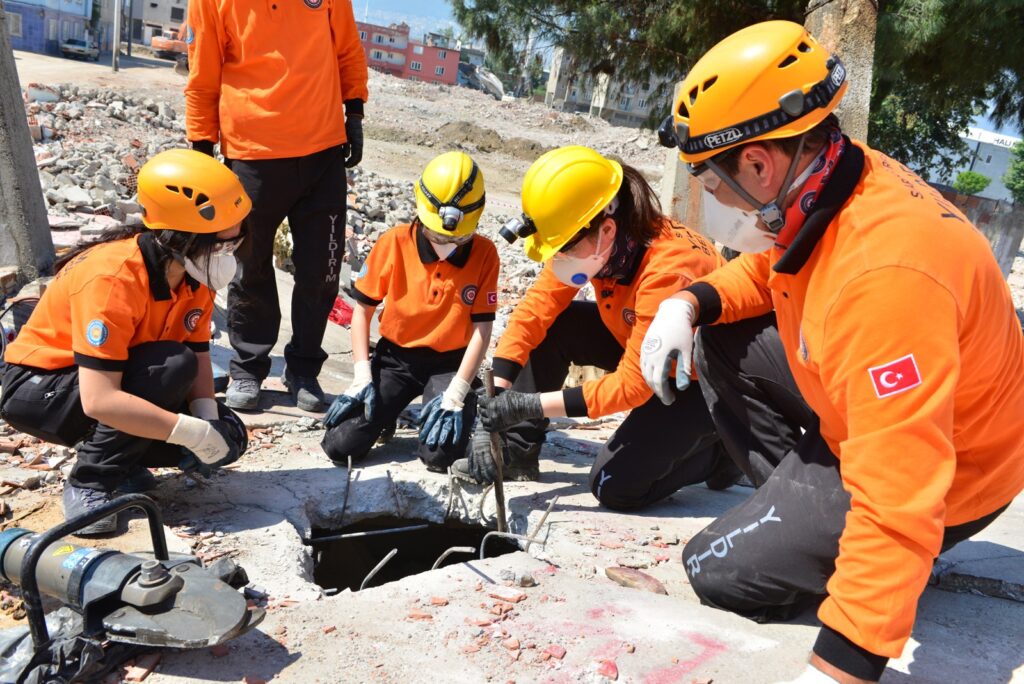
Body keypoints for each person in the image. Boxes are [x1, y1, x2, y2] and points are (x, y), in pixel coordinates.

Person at [640, 21, 1024, 684]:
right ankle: (806, 515)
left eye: (708, 178)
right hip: (877, 415)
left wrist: (841, 664)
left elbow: (902, 489)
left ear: (760, 163)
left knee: (715, 568)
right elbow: (773, 268)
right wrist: (690, 302)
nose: (708, 198)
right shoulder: (833, 177)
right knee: (720, 340)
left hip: (955, 470)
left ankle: (846, 545)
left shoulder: (885, 275)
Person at [452, 146, 738, 511]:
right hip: (643, 342)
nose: (561, 257)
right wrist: (497, 396)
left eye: (564, 248)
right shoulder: (606, 242)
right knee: (556, 323)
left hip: (698, 379)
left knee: (615, 486)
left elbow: (633, 386)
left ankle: (720, 452)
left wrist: (526, 406)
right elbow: (535, 312)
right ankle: (517, 453)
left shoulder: (669, 269)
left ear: (606, 228)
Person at [0, 150, 252, 535]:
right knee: (170, 367)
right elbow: (100, 399)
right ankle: (90, 482)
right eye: (220, 244)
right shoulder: (113, 278)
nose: (226, 255)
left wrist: (208, 421)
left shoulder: (191, 273)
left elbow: (200, 352)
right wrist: (192, 434)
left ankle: (125, 464)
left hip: (108, 380)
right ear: (181, 237)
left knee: (230, 435)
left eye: (232, 243)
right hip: (43, 389)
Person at [185, 0, 369, 412]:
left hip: (323, 152)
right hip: (251, 155)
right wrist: (201, 143)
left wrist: (354, 109)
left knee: (321, 271)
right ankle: (248, 367)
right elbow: (204, 70)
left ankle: (303, 369)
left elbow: (347, 48)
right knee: (249, 269)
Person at [321, 152, 498, 472]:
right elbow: (362, 312)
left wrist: (457, 391)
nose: (447, 242)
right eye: (439, 234)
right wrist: (362, 375)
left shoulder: (485, 254)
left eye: (456, 236)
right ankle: (386, 416)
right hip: (395, 360)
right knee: (340, 446)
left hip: (449, 364)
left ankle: (469, 398)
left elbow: (481, 330)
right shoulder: (394, 243)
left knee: (439, 456)